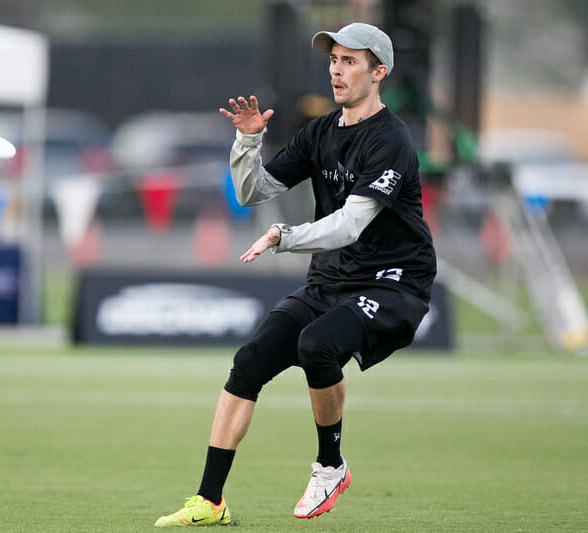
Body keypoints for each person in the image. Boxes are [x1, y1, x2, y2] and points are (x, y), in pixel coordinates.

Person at [154, 22, 436, 527]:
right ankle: (210, 501)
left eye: (350, 61)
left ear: (379, 72)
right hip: (331, 278)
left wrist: (285, 236)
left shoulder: (391, 139)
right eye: (333, 59)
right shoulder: (321, 131)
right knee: (251, 360)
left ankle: (330, 465)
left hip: (393, 281)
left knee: (317, 344)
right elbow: (253, 192)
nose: (336, 69)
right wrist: (247, 142)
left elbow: (351, 224)